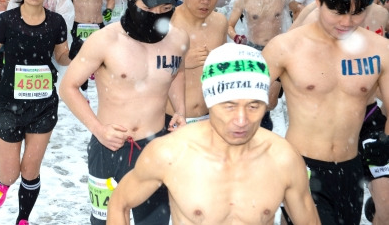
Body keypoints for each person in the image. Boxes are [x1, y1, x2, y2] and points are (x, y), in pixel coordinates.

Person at [107, 44, 320, 225]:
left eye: (253, 106)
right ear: (210, 102)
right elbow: (119, 202)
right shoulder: (171, 153)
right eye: (229, 106)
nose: (241, 120)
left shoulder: (284, 159)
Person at [262, 0, 389, 225]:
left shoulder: (380, 50)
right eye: (338, 11)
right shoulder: (285, 48)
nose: (347, 21)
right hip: (302, 166)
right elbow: (246, 103)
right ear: (319, 0)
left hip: (350, 168)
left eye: (357, 13)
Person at [59, 0, 189, 224]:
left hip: (156, 147)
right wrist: (98, 129)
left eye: (165, 9)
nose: (157, 15)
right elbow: (68, 86)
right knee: (106, 221)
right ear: (131, 1)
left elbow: (176, 71)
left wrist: (181, 110)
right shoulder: (104, 41)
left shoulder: (179, 39)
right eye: (149, 8)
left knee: (154, 221)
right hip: (110, 146)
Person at [0, 0, 71, 225]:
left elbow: (61, 56)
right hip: (9, 103)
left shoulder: (56, 22)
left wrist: (73, 55)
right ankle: (3, 182)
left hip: (42, 104)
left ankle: (23, 218)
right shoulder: (7, 20)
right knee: (11, 174)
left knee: (30, 171)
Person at [228, 0, 299, 130]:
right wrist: (237, 37)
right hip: (254, 50)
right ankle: (259, 128)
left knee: (271, 101)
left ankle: (264, 120)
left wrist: (292, 33)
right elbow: (229, 25)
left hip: (277, 51)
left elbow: (299, 11)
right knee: (255, 97)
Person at [165, 0, 228, 126]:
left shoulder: (220, 22)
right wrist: (181, 63)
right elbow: (143, 71)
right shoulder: (167, 22)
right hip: (172, 119)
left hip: (210, 119)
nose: (206, 1)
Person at [63, 0, 115, 94]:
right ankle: (80, 89)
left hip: (97, 25)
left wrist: (109, 10)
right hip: (78, 25)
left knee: (100, 60)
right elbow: (65, 6)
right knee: (78, 60)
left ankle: (102, 90)